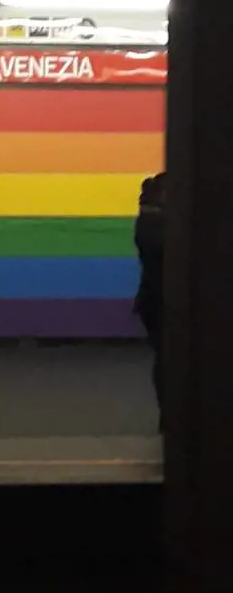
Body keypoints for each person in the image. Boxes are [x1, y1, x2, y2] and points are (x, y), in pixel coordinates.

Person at [134, 172, 166, 429]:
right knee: (168, 358)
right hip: (161, 301)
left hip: (155, 300)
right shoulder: (154, 225)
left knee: (166, 358)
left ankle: (169, 416)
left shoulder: (148, 221)